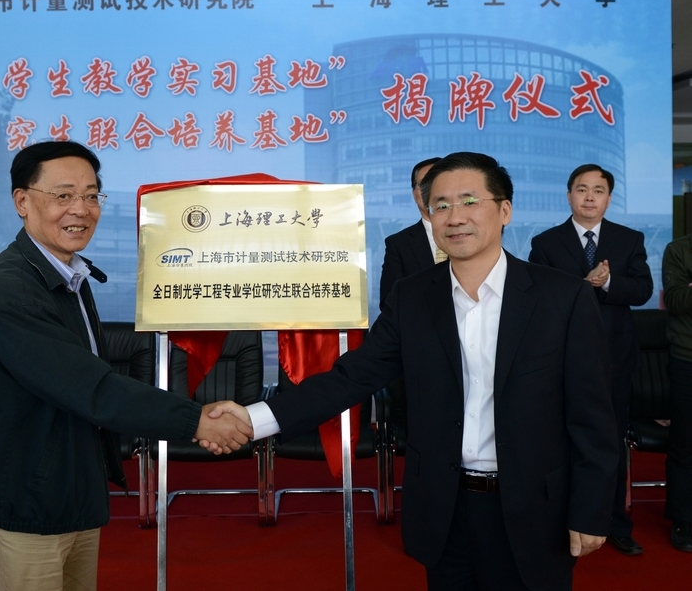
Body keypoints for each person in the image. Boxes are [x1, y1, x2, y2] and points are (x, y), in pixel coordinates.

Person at [206, 152, 618, 591]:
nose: (454, 217)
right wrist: (253, 419)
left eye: (469, 201)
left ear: (504, 211)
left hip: (535, 510)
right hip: (444, 507)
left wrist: (591, 509)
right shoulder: (412, 298)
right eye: (440, 205)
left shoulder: (562, 298)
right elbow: (352, 377)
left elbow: (592, 415)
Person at [0, 141, 250, 591]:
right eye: (63, 195)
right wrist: (196, 421)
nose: (81, 209)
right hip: (25, 499)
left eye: (91, 195)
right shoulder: (11, 290)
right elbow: (91, 387)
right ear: (21, 201)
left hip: (68, 486)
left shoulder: (68, 274)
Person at [528, 164, 653, 556]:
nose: (589, 197)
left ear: (609, 199)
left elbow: (643, 290)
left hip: (613, 360)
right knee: (558, 441)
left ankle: (613, 523)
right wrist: (581, 287)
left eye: (598, 191)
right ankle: (559, 519)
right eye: (582, 189)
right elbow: (536, 297)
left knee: (608, 442)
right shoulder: (546, 243)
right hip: (559, 359)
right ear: (569, 195)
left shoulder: (629, 239)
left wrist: (609, 281)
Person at [661, 235, 692, 552]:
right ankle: (684, 520)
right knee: (685, 444)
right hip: (688, 359)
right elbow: (677, 300)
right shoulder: (679, 250)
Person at [379, 156, 442, 309]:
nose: (430, 189)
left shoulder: (472, 235)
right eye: (424, 184)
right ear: (414, 194)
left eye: (437, 181)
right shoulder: (399, 245)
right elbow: (389, 303)